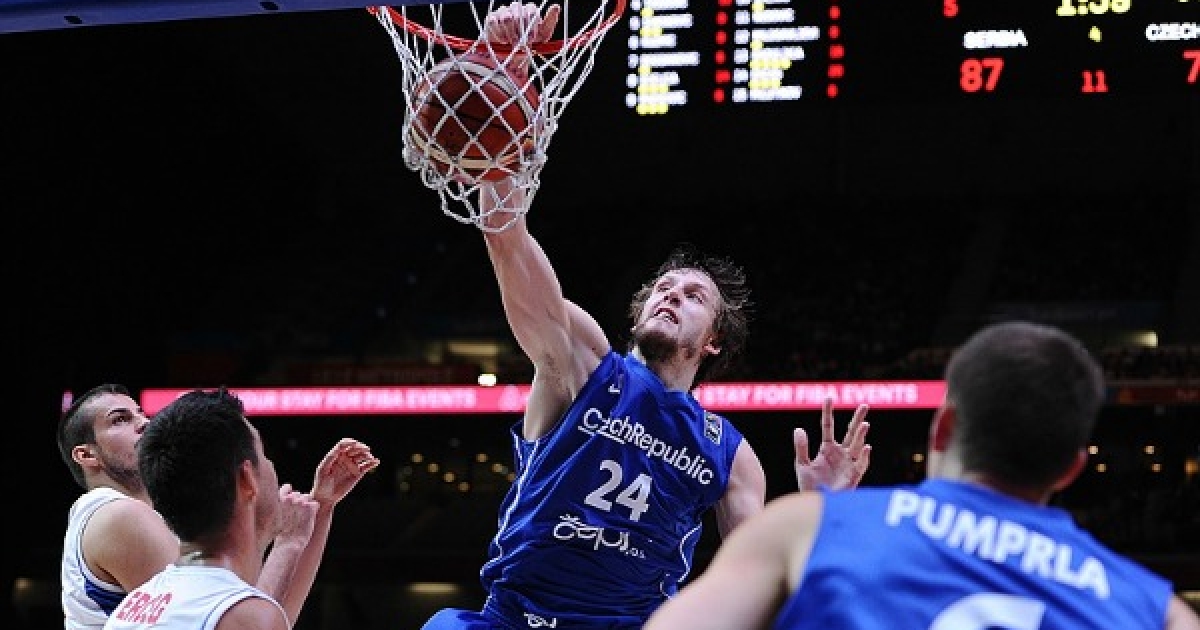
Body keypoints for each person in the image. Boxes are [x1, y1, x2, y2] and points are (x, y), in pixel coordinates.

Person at [421, 7, 871, 625]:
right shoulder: (583, 362)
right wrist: (507, 80)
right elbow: (507, 239)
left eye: (693, 297)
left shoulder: (730, 453)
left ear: (713, 342)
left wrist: (824, 511)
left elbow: (760, 586)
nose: (671, 295)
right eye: (663, 287)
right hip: (512, 618)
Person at [644, 320, 1200, 630]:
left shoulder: (805, 529)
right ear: (1071, 468)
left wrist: (825, 517)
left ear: (942, 427)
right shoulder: (1160, 612)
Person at [58, 383, 380, 629]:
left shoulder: (150, 590)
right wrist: (286, 542)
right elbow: (243, 611)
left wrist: (319, 509)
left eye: (141, 413)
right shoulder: (117, 513)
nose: (143, 423)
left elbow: (267, 611)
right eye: (120, 419)